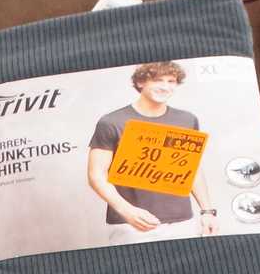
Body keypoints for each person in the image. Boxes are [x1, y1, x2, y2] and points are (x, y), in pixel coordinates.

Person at [87, 62, 219, 240]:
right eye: (157, 80)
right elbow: (96, 176)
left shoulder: (186, 120)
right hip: (131, 225)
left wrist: (207, 211)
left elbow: (192, 169)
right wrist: (127, 211)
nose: (165, 87)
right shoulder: (112, 122)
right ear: (140, 82)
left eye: (171, 81)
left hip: (182, 223)